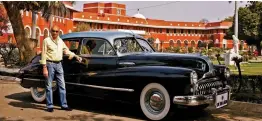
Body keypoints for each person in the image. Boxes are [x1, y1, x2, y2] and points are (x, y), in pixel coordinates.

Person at [39, 25, 82, 112]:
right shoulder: (46, 41)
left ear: (58, 32)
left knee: (62, 85)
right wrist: (44, 68)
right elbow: (43, 54)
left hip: (59, 64)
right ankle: (50, 106)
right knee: (49, 85)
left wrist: (76, 56)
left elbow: (66, 50)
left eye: (56, 31)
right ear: (51, 31)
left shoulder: (60, 41)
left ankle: (64, 105)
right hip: (50, 64)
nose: (55, 33)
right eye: (53, 31)